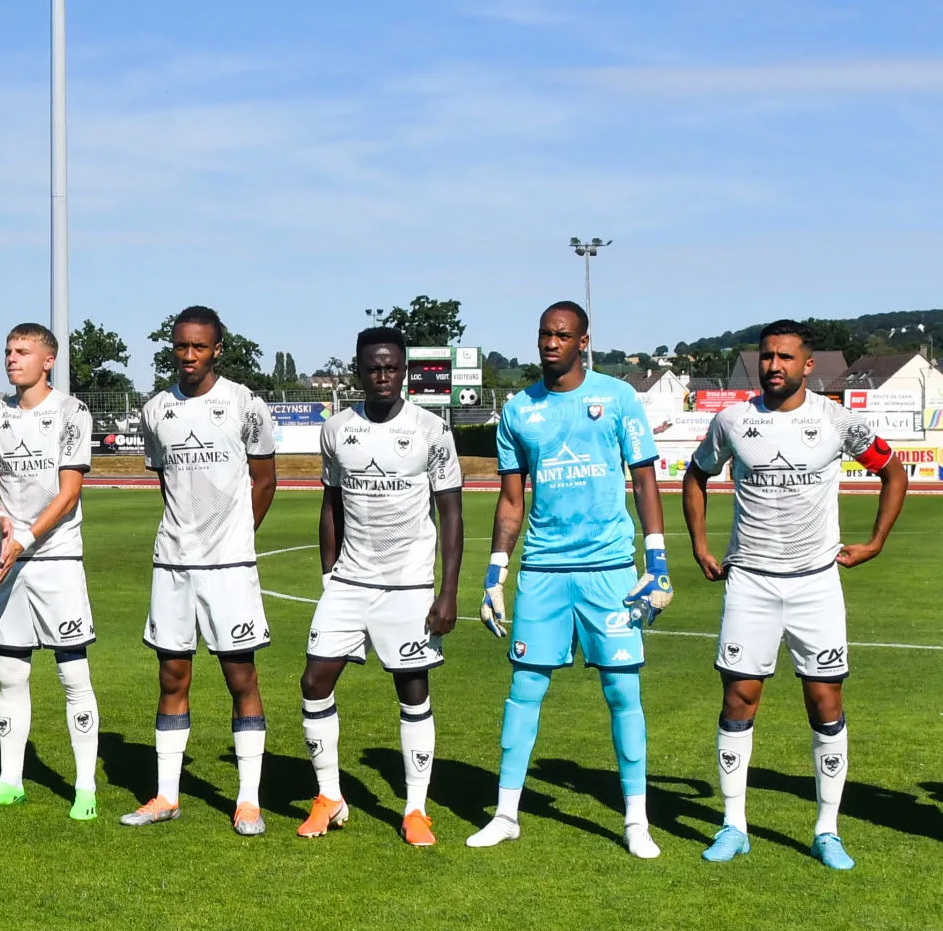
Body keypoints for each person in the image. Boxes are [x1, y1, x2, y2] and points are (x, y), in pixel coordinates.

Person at [683, 320, 907, 871]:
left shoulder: (835, 421)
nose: (773, 366)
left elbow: (893, 471)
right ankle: (733, 824)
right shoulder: (733, 420)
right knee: (739, 699)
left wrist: (876, 541)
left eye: (785, 357)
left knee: (825, 702)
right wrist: (700, 545)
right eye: (766, 357)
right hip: (751, 582)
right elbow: (695, 475)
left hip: (816, 584)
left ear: (809, 365)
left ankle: (826, 831)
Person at [470, 301, 673, 858]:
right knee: (524, 690)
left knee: (621, 689)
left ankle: (636, 820)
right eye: (543, 334)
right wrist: (495, 573)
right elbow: (511, 500)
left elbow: (645, 482)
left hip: (609, 569)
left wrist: (655, 562)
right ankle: (506, 813)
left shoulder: (618, 398)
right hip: (544, 570)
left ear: (584, 341)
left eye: (561, 335)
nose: (550, 343)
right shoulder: (517, 411)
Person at [300, 327, 464, 846]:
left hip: (409, 584)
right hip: (348, 581)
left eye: (391, 367)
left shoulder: (432, 430)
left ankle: (415, 809)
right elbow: (330, 505)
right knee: (313, 683)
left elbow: (452, 513)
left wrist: (448, 591)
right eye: (373, 368)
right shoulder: (336, 429)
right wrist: (329, 575)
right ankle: (330, 797)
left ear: (405, 371)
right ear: (358, 371)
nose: (383, 376)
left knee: (412, 691)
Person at [122, 306, 277, 836]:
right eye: (181, 346)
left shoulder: (244, 404)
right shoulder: (155, 410)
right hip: (173, 563)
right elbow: (167, 483)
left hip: (229, 565)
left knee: (240, 676)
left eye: (199, 347)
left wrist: (236, 536)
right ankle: (166, 795)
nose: (189, 356)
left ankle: (249, 799)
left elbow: (265, 481)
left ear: (216, 350)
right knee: (172, 675)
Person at [0, 323, 102, 819]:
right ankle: (8, 781)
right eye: (7, 351)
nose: (11, 359)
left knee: (73, 674)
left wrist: (25, 536)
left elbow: (68, 495)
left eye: (22, 351)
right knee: (9, 672)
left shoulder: (71, 412)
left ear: (48, 361)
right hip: (11, 561)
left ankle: (84, 787)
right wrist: (1, 518)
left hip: (56, 560)